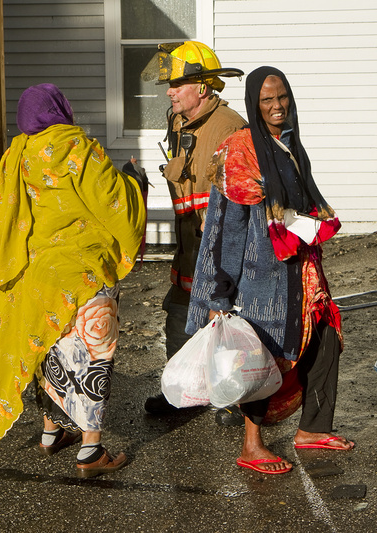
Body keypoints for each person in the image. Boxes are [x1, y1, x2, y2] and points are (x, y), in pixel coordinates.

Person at [186, 66, 354, 475]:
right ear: (253, 105)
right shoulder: (240, 151)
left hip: (299, 267)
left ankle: (313, 428)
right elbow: (227, 228)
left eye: (282, 98)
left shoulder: (288, 143)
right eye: (267, 100)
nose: (277, 106)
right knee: (263, 353)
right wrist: (221, 293)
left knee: (326, 338)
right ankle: (251, 444)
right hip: (259, 275)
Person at [0, 83, 146, 478]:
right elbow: (112, 201)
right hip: (80, 271)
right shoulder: (77, 147)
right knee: (92, 353)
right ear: (60, 109)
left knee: (46, 348)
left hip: (35, 276)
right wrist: (135, 180)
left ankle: (51, 433)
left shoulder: (16, 154)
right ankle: (91, 451)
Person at [141, 41, 247, 419]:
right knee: (178, 312)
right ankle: (181, 395)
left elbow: (241, 196)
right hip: (189, 244)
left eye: (178, 84)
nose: (169, 91)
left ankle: (232, 399)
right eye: (168, 83)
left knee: (226, 319)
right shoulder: (178, 122)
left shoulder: (229, 126)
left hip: (220, 246)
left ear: (202, 87)